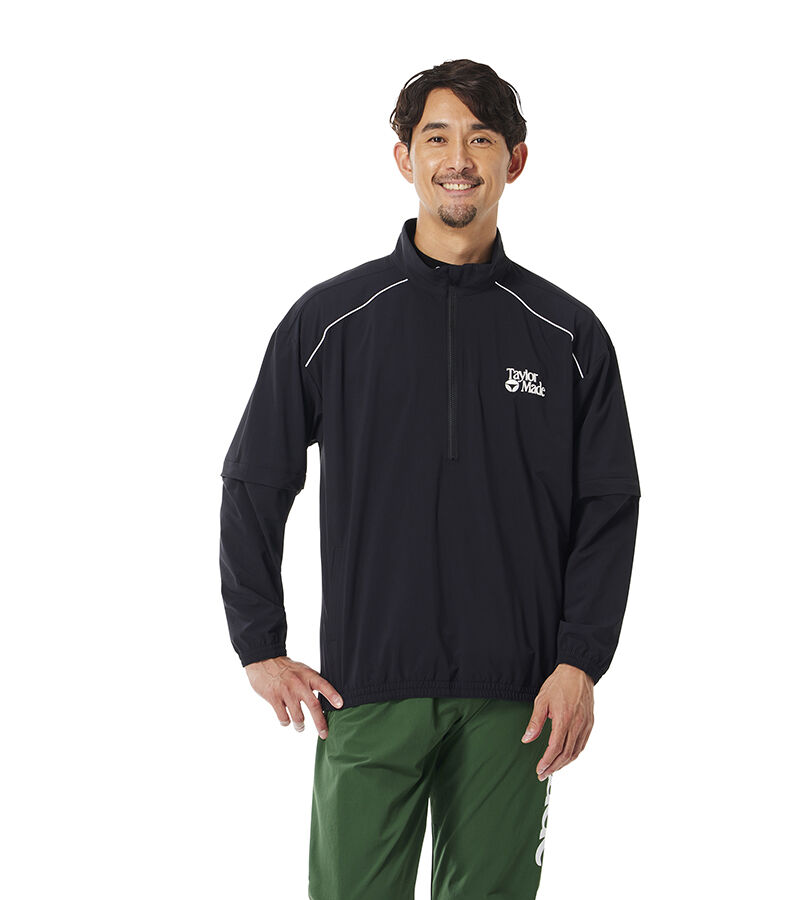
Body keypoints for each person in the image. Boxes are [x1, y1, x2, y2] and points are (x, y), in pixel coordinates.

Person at [219, 58, 641, 899]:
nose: (458, 159)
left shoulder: (567, 335)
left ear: (515, 160)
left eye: (480, 139)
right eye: (437, 137)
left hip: (517, 698)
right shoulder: (330, 320)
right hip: (367, 688)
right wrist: (258, 643)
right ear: (404, 158)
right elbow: (255, 479)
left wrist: (581, 661)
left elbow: (609, 505)